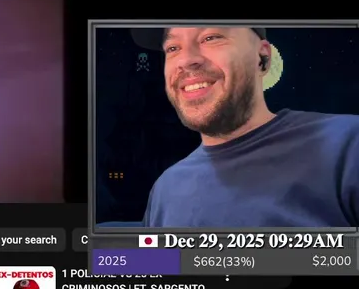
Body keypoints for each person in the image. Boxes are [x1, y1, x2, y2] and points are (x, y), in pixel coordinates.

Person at [133, 26, 359, 227]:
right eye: (173, 48)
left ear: (263, 57)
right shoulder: (165, 190)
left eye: (211, 37)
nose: (186, 60)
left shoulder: (346, 146)